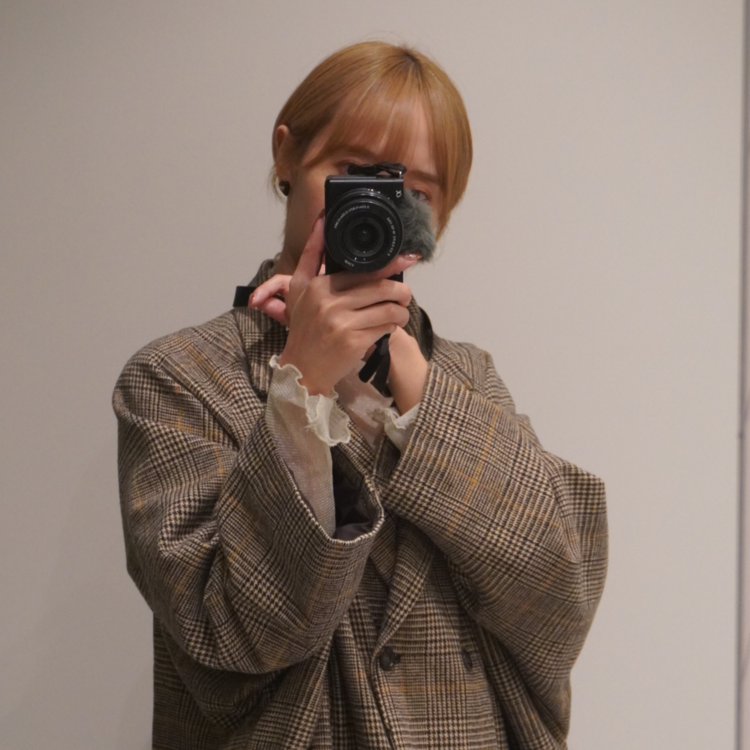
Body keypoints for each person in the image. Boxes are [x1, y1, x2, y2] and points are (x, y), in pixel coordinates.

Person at [113, 40, 608, 750]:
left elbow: (559, 597)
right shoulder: (178, 379)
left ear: (441, 215)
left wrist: (408, 380)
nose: (382, 207)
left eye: (415, 192)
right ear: (286, 156)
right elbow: (231, 631)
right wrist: (302, 388)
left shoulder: (466, 378)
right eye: (353, 174)